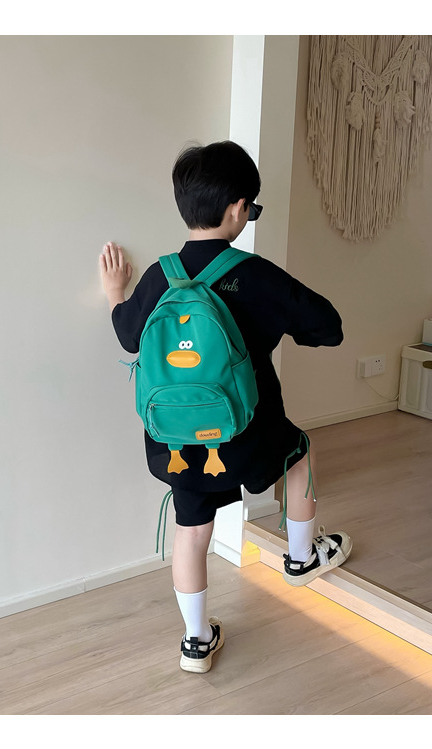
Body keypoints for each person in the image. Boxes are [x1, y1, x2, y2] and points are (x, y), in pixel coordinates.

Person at [98, 140, 352, 674]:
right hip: (249, 436)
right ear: (237, 208)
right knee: (298, 454)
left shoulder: (159, 276)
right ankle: (301, 556)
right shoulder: (254, 274)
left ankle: (195, 641)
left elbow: (126, 335)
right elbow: (328, 327)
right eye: (251, 208)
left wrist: (116, 292)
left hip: (177, 443)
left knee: (192, 532)